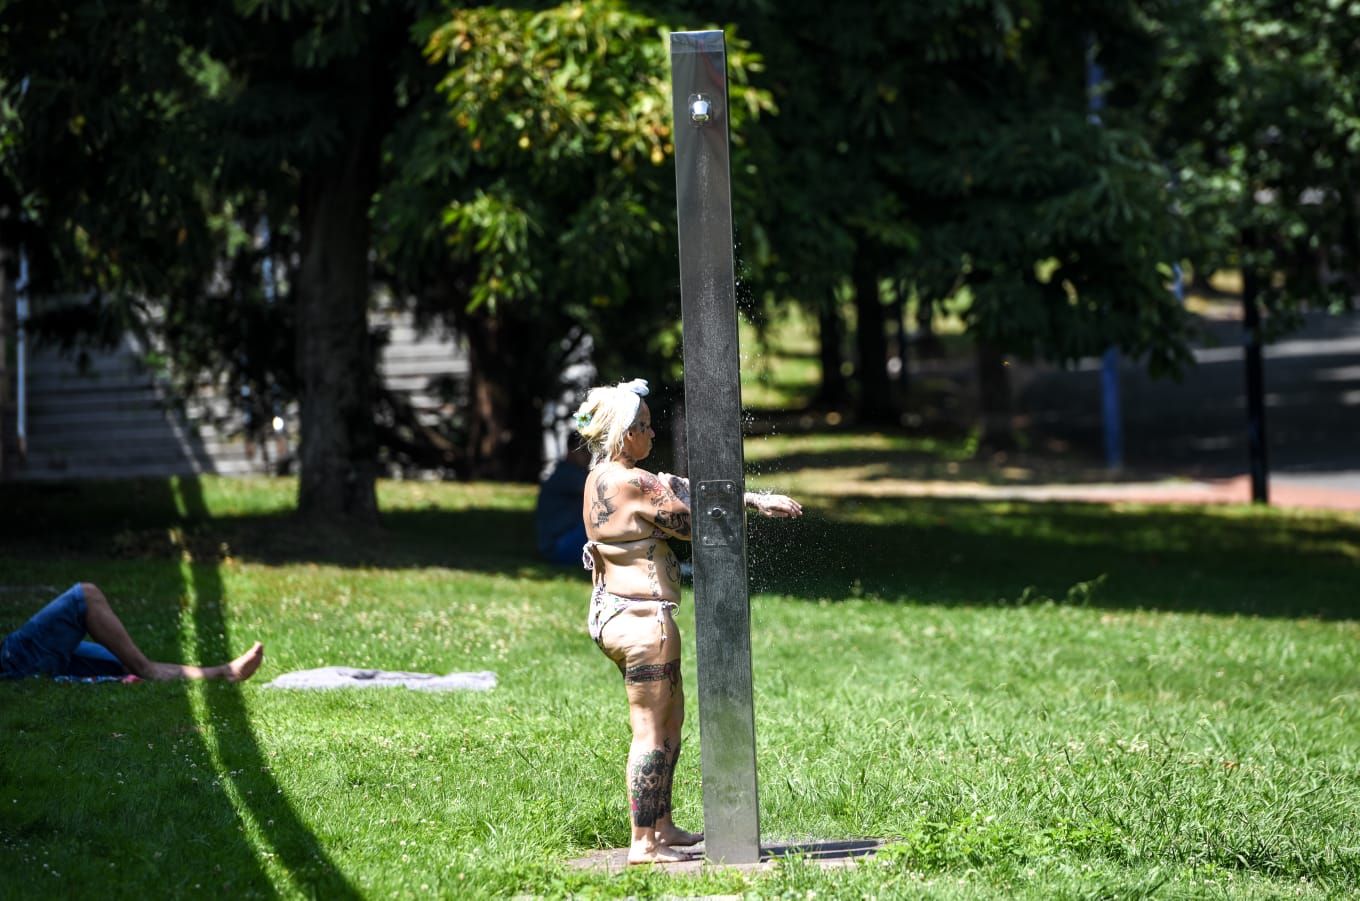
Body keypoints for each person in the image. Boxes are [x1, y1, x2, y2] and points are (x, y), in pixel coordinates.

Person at [573, 378, 801, 864]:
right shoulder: (632, 483)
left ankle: (662, 825)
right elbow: (695, 518)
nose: (653, 435)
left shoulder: (603, 478)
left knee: (670, 720)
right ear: (624, 434)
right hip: (642, 621)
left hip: (615, 615)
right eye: (646, 427)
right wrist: (747, 505)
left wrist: (754, 498)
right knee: (650, 730)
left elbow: (674, 485)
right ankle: (643, 843)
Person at [0, 582, 264, 682]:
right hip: (12, 661)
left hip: (10, 656)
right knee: (85, 597)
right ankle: (148, 669)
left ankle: (224, 673)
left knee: (124, 664)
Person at [535, 443, 591, 565]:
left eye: (590, 451)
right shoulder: (568, 473)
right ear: (570, 451)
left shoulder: (568, 471)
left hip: (560, 543)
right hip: (558, 546)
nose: (589, 456)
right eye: (583, 451)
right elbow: (600, 493)